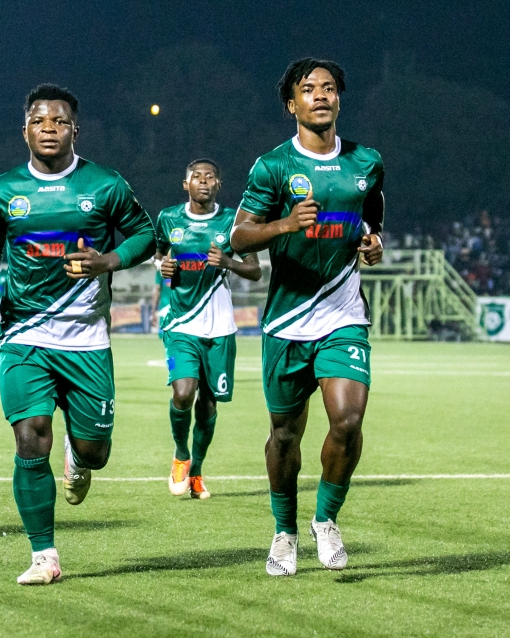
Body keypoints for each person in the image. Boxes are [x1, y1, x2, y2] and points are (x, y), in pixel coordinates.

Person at [0, 83, 155, 585]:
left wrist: (108, 260)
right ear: (24, 130)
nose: (49, 128)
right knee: (30, 435)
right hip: (24, 332)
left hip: (86, 337)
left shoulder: (105, 184)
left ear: (76, 130)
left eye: (59, 121)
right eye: (39, 121)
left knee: (95, 451)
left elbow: (145, 235)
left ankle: (79, 454)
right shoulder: (2, 189)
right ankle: (43, 555)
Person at [231, 58, 384, 576]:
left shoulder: (366, 161)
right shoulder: (273, 166)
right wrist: (285, 225)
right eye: (308, 89)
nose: (320, 95)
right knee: (284, 436)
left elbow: (372, 213)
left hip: (343, 316)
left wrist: (372, 240)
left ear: (339, 98)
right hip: (286, 323)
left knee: (348, 421)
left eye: (329, 88)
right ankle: (284, 531)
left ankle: (326, 519)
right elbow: (239, 236)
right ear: (291, 104)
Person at [154, 159, 261, 499]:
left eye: (209, 177)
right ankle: (181, 455)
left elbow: (255, 271)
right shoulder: (168, 218)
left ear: (219, 184)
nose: (203, 181)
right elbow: (158, 254)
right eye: (196, 177)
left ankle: (197, 470)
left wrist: (228, 262)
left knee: (209, 404)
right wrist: (162, 265)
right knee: (183, 392)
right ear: (185, 184)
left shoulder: (233, 222)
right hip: (180, 325)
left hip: (220, 329)